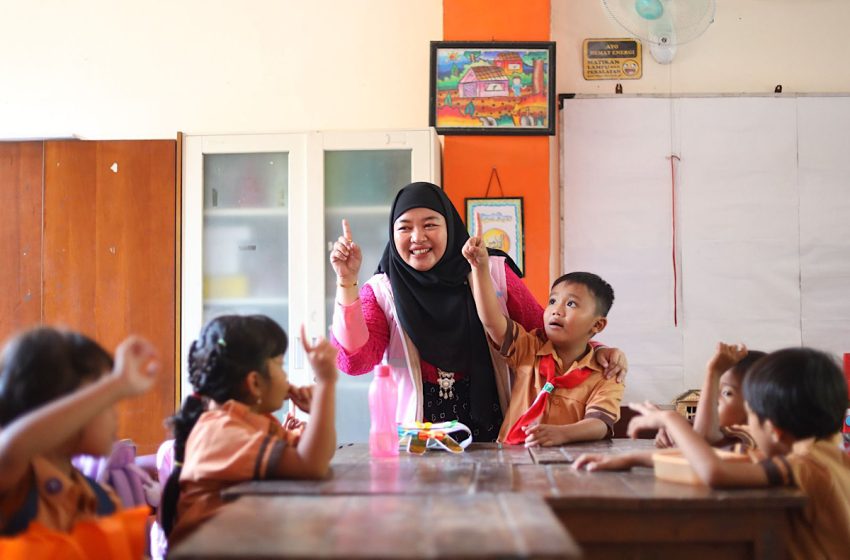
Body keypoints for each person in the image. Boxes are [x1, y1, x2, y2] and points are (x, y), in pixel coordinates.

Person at [329, 181, 628, 441]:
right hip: (418, 437)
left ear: (450, 225)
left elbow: (543, 334)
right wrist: (346, 282)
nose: (417, 237)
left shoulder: (492, 272)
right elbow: (355, 361)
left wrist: (596, 349)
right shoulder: (382, 291)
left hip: (495, 429)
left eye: (430, 224)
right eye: (404, 227)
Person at [625, 347, 850, 559]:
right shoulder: (828, 454)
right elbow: (720, 460)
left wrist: (670, 419)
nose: (747, 425)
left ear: (774, 431)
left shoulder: (807, 465)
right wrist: (633, 459)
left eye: (751, 418)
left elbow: (716, 471)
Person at [161, 315, 337, 544]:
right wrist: (326, 383)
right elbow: (311, 466)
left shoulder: (252, 421)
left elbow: (320, 457)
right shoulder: (220, 430)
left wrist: (317, 412)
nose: (286, 377)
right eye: (280, 366)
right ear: (254, 383)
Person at [463, 223, 623, 447]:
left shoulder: (606, 372)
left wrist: (562, 434)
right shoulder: (529, 347)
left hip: (569, 465)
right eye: (552, 301)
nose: (557, 309)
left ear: (597, 325)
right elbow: (491, 320)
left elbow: (600, 423)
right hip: (512, 460)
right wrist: (480, 268)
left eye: (571, 304)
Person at [0, 327, 159, 535]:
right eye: (103, 400)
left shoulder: (103, 500)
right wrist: (118, 383)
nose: (115, 415)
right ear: (58, 406)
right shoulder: (16, 486)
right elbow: (12, 448)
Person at [574, 342, 766, 470]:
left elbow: (703, 440)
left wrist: (713, 372)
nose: (713, 399)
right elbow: (691, 452)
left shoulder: (750, 437)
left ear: (758, 405)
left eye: (726, 393)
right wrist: (672, 435)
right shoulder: (726, 430)